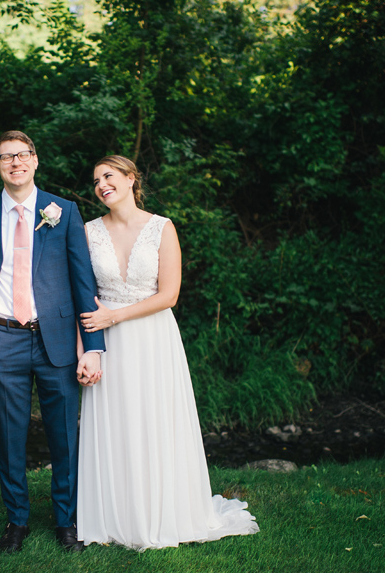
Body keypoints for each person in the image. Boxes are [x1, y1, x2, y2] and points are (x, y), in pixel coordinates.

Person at [76, 155, 260, 550]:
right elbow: (81, 295)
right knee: (118, 424)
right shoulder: (88, 232)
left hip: (153, 338)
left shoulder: (162, 227)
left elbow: (169, 294)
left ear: (130, 179)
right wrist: (85, 349)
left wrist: (115, 316)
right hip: (106, 342)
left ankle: (164, 512)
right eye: (95, 181)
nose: (101, 184)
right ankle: (116, 517)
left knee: (155, 421)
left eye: (108, 176)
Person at [0, 131, 105, 554]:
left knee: (64, 436)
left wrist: (92, 345)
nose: (15, 162)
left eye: (22, 155)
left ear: (35, 161)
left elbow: (83, 282)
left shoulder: (65, 212)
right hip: (1, 338)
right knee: (10, 435)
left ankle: (66, 521)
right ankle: (16, 520)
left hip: (56, 340)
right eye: (6, 157)